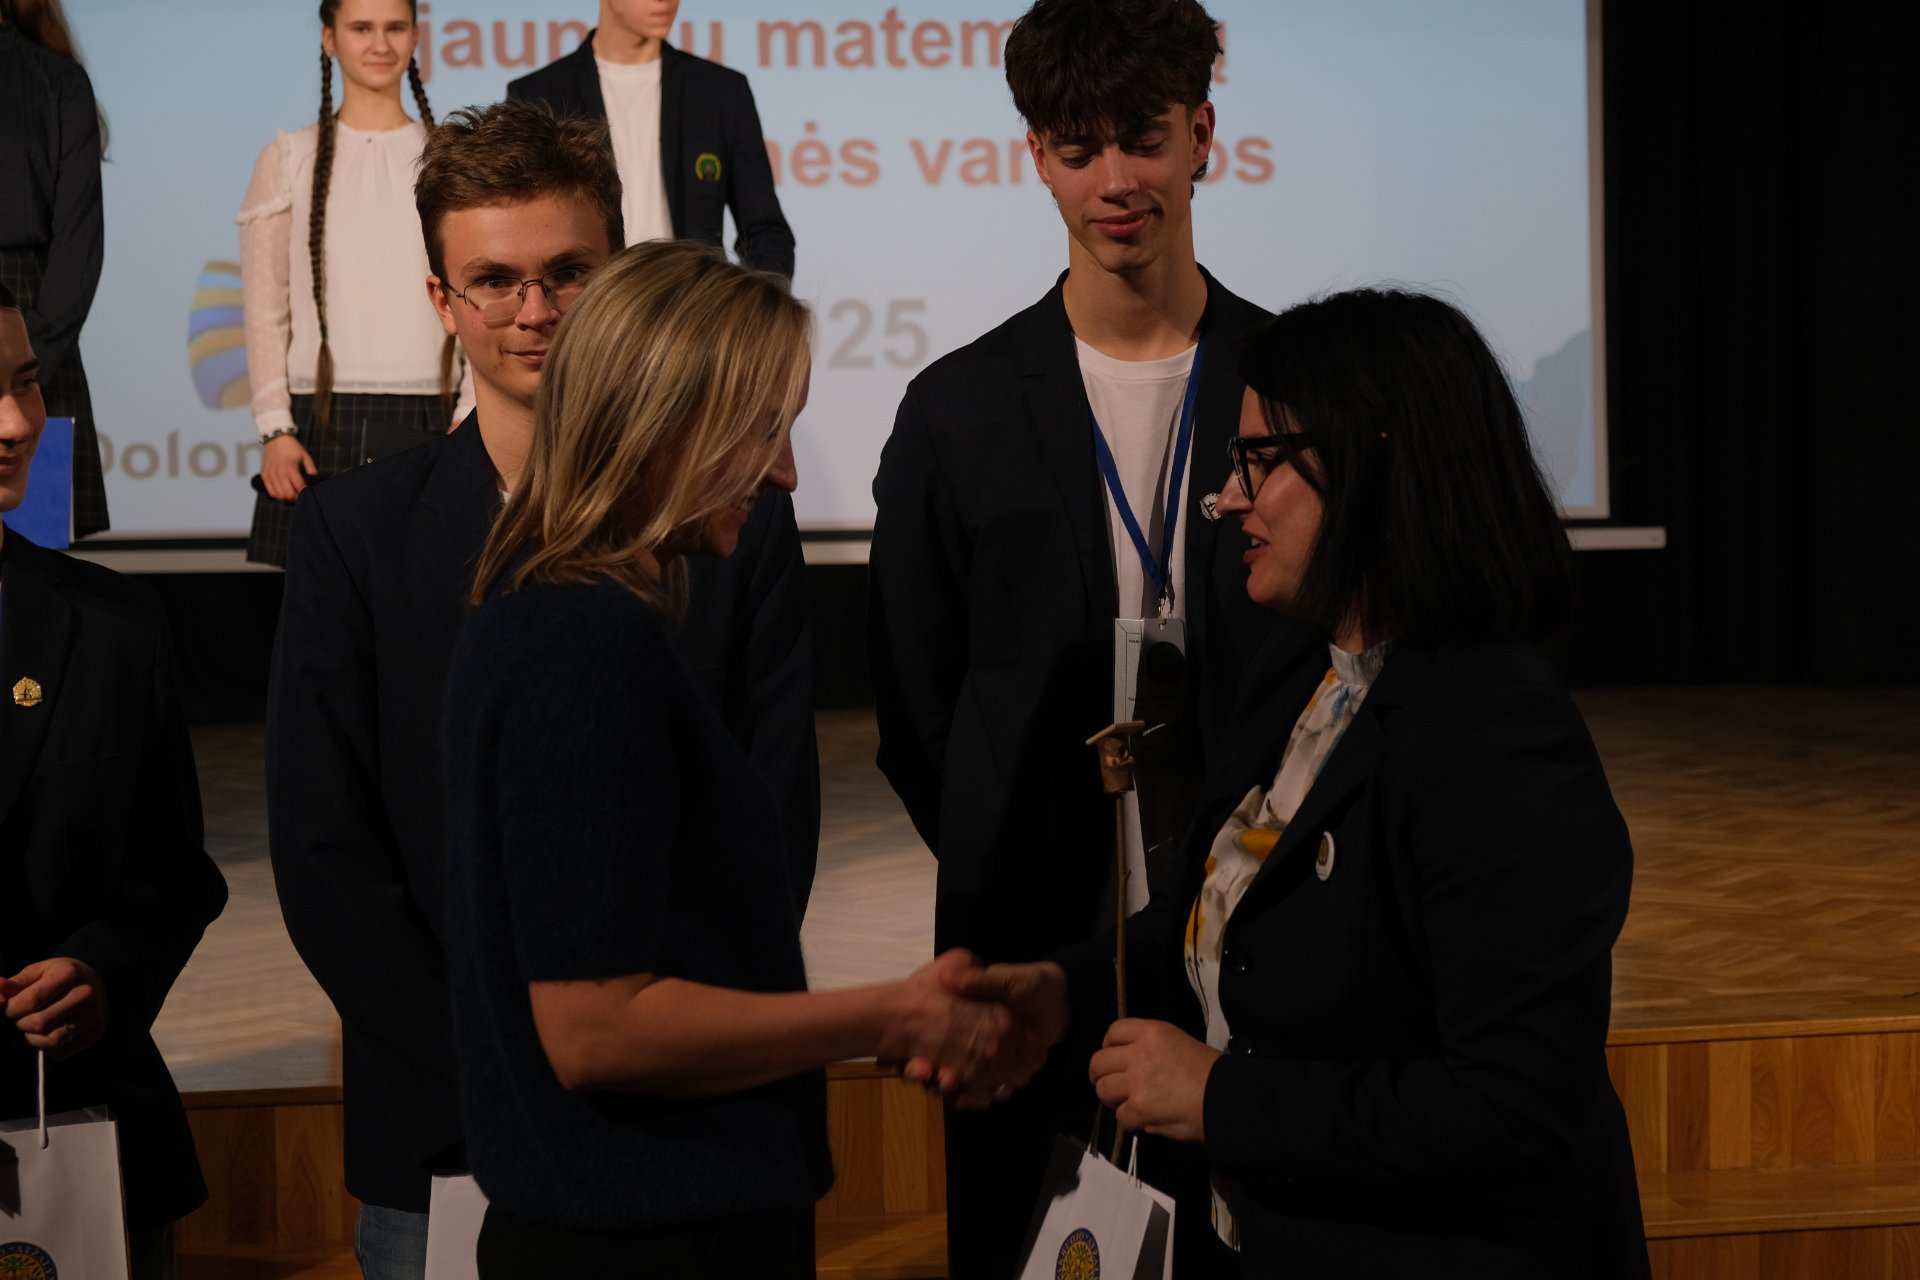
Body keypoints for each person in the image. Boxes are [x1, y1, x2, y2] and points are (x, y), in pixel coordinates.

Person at [950, 289, 1652, 1278]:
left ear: (1376, 463)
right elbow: (1218, 921)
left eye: (1260, 460)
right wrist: (1058, 991)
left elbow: (1513, 1107)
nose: (1226, 497)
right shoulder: (1304, 668)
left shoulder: (1496, 735)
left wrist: (1218, 1097)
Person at [266, 98, 818, 1279]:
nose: (534, 310)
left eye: (568, 272)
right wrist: (503, 1081)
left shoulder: (738, 525)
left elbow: (771, 831)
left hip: (682, 1135)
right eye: (494, 280)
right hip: (440, 1129)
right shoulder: (356, 533)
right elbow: (327, 855)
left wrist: (650, 1055)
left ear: (617, 275)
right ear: (440, 300)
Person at [441, 238, 1038, 1276]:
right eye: (761, 428)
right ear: (659, 417)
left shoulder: (556, 614)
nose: (786, 470)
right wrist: (892, 1012)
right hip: (647, 1241)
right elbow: (594, 1028)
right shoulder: (583, 641)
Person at [865, 0, 1300, 1271]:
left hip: (1262, 937)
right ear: (1037, 159)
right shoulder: (953, 410)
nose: (1115, 181)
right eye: (1077, 148)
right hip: (1027, 946)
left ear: (1202, 134)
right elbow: (917, 706)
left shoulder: (1295, 379)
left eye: (1143, 140)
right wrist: (1016, 845)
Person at [0, 282, 229, 1279]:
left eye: (27, 383)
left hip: (83, 1146)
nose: (17, 424)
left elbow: (174, 878)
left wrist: (100, 971)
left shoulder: (113, 629)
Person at [237, 0, 460, 566]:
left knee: (430, 598)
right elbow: (265, 307)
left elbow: (475, 291)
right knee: (322, 607)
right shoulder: (288, 157)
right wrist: (275, 430)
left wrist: (472, 410)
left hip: (436, 413)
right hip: (318, 419)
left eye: (395, 27)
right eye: (362, 28)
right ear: (330, 39)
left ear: (415, 37)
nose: (380, 44)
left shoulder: (449, 157)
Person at [508, 0, 794, 276]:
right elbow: (526, 230)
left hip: (692, 301)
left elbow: (766, 232)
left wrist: (747, 305)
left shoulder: (721, 90)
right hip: (594, 303)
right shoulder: (537, 94)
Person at [0, 0, 110, 537]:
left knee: (30, 563)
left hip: (34, 324)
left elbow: (78, 238)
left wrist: (22, 370)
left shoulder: (56, 80)